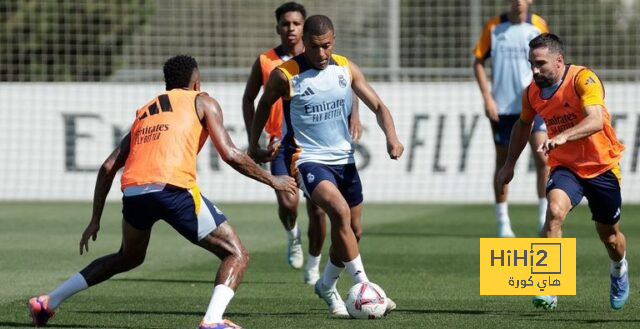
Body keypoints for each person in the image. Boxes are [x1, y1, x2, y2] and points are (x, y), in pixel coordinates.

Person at [27, 55, 297, 329]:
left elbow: (109, 166)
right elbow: (230, 154)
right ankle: (212, 321)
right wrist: (273, 180)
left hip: (134, 193)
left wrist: (95, 219)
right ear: (196, 81)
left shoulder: (146, 110)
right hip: (172, 188)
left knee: (128, 256)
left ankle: (47, 303)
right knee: (237, 254)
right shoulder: (202, 100)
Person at [249, 15, 402, 318]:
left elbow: (379, 106)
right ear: (304, 42)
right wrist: (254, 144)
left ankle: (326, 283)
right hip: (307, 159)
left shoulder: (345, 67)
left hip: (344, 160)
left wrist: (392, 138)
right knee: (339, 213)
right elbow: (263, 105)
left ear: (334, 41)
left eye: (327, 46)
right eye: (315, 47)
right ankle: (366, 286)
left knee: (352, 231)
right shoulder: (286, 74)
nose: (322, 54)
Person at [496, 33, 629, 310]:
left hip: (601, 166)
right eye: (531, 64)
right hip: (565, 166)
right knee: (554, 212)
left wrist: (563, 136)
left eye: (540, 64)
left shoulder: (583, 79)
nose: (534, 70)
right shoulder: (532, 92)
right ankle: (549, 284)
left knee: (611, 238)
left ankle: (619, 268)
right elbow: (523, 126)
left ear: (559, 61)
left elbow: (594, 120)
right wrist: (509, 164)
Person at [242, 3, 361, 284]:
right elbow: (252, 100)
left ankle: (314, 263)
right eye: (286, 24)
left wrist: (354, 115)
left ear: (305, 28)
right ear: (278, 28)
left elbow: (347, 85)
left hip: (316, 146)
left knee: (320, 210)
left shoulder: (326, 60)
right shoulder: (268, 62)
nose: (291, 29)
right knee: (288, 201)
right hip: (280, 142)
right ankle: (292, 233)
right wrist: (254, 138)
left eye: (296, 23)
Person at [473, 0, 550, 237]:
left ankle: (544, 217)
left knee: (544, 159)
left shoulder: (538, 26)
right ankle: (502, 222)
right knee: (504, 163)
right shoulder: (494, 27)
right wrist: (488, 97)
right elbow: (478, 60)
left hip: (534, 105)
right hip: (503, 108)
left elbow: (549, 61)